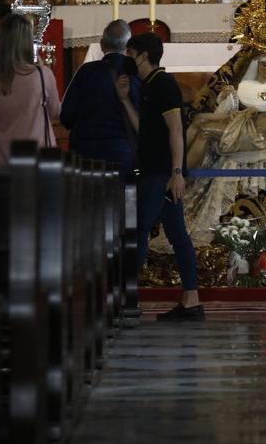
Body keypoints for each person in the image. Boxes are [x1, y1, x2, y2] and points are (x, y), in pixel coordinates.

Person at [115, 31, 204, 322]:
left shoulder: (163, 84)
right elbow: (146, 129)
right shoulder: (149, 85)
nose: (127, 59)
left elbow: (176, 129)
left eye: (130, 54)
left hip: (161, 172)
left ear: (143, 55)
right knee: (177, 234)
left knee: (140, 229)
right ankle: (191, 301)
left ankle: (127, 298)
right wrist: (125, 100)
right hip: (157, 170)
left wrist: (177, 172)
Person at [0, 12, 60, 164]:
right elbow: (54, 111)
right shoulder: (42, 75)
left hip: (0, 161)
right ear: (27, 42)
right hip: (37, 160)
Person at [60, 19, 140, 179]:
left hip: (84, 152)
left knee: (86, 194)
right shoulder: (133, 71)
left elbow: (67, 116)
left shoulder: (85, 71)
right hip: (121, 150)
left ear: (102, 45)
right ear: (127, 47)